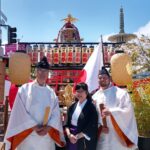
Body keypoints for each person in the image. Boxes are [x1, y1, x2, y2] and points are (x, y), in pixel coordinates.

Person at [4, 56, 65, 150]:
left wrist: (48, 128)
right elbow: (19, 111)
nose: (42, 73)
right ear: (36, 71)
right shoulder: (25, 89)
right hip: (28, 135)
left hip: (45, 137)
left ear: (48, 73)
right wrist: (34, 126)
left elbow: (55, 114)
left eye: (45, 71)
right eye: (40, 70)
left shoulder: (51, 92)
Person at [92, 66, 138, 150]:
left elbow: (128, 110)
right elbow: (93, 116)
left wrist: (111, 111)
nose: (102, 79)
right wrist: (100, 127)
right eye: (100, 78)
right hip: (103, 133)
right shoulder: (95, 96)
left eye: (105, 77)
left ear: (110, 78)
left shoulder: (121, 93)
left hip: (118, 133)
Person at [65, 82, 98, 150]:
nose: (79, 93)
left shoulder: (91, 107)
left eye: (81, 91)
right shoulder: (72, 106)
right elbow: (66, 124)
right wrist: (69, 135)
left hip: (82, 139)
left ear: (86, 92)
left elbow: (92, 125)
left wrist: (77, 137)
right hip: (71, 137)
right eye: (77, 91)